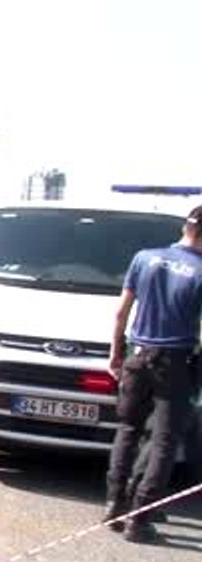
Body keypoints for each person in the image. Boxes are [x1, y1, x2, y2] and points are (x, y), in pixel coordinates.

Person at [104, 205, 202, 544]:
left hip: (137, 354)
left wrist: (116, 354)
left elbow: (121, 313)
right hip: (174, 361)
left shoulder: (144, 258)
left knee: (128, 430)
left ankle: (114, 504)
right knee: (164, 440)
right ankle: (140, 517)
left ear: (186, 228)